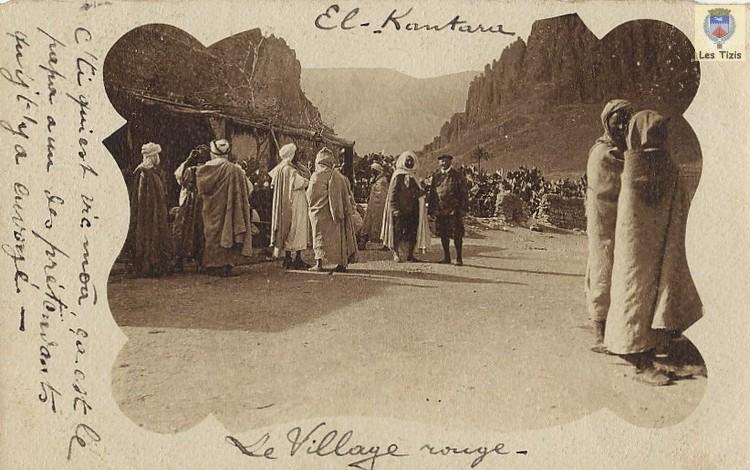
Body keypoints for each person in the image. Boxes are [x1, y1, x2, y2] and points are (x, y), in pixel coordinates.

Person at [604, 110, 703, 386]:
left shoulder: (632, 164)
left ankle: (636, 352)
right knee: (645, 293)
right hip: (651, 244)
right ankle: (641, 361)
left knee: (633, 292)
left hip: (634, 246)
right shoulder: (666, 167)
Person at [584, 99, 634, 354]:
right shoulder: (601, 153)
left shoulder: (628, 151)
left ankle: (621, 331)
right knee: (603, 267)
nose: (622, 126)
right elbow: (604, 189)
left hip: (624, 222)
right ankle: (599, 332)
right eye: (618, 120)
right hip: (603, 222)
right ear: (607, 121)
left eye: (626, 120)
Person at [195, 139, 254, 276]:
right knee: (227, 233)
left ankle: (209, 264)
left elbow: (197, 187)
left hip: (209, 209)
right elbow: (249, 188)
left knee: (210, 235)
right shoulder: (235, 170)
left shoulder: (203, 169)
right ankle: (224, 265)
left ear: (212, 153)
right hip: (228, 209)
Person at [306, 147, 358, 272]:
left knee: (319, 237)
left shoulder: (316, 176)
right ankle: (341, 263)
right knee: (338, 238)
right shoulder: (338, 176)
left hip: (319, 213)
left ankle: (319, 263)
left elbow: (310, 195)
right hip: (336, 213)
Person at [126, 142, 173, 277]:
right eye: (157, 155)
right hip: (147, 211)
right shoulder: (143, 172)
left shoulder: (154, 171)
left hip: (156, 210)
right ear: (152, 156)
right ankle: (148, 266)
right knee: (147, 235)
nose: (158, 157)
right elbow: (141, 195)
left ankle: (156, 265)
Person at [269, 143, 312, 270]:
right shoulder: (290, 170)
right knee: (297, 228)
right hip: (296, 203)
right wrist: (307, 180)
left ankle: (288, 257)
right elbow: (301, 183)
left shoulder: (279, 169)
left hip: (285, 203)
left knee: (287, 228)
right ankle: (297, 258)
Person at [381, 151, 430, 263]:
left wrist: (422, 191)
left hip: (413, 210)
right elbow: (392, 193)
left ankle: (410, 254)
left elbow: (415, 193)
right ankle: (396, 253)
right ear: (403, 161)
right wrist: (394, 209)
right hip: (401, 209)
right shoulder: (398, 175)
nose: (409, 162)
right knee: (398, 232)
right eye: (407, 160)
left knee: (412, 232)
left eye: (411, 161)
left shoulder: (414, 176)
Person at [172, 144, 210, 272]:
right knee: (201, 231)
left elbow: (179, 177)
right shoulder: (210, 170)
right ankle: (200, 262)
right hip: (203, 204)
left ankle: (180, 261)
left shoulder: (189, 170)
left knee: (183, 231)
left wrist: (188, 160)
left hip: (188, 204)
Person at [428, 154, 468, 265]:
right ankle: (447, 257)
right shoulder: (436, 176)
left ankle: (459, 258)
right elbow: (432, 193)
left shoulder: (457, 175)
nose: (443, 163)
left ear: (450, 162)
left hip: (454, 210)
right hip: (441, 209)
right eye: (441, 161)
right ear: (439, 163)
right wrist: (431, 209)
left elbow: (464, 193)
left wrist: (463, 208)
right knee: (443, 234)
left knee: (457, 234)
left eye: (446, 161)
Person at [362, 162, 389, 249]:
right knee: (369, 223)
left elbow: (381, 194)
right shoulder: (377, 180)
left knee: (378, 223)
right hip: (373, 206)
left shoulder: (382, 181)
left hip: (379, 206)